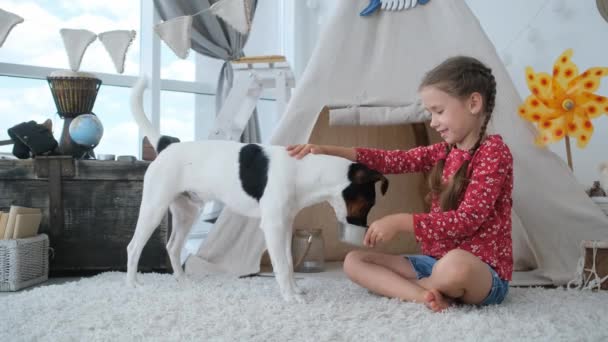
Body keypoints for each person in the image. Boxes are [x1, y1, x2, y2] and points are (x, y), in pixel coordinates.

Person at [286, 56, 513, 312]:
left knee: (455, 265)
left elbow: (467, 219)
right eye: (430, 113)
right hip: (432, 262)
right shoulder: (444, 151)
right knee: (354, 261)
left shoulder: (494, 152)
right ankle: (425, 295)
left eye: (439, 111)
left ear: (473, 103)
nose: (433, 122)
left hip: (480, 272)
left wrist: (401, 222)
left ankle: (424, 286)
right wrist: (326, 150)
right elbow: (392, 160)